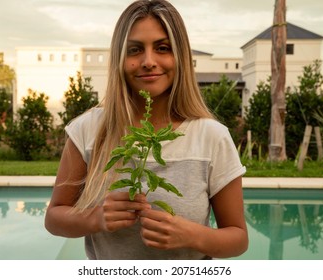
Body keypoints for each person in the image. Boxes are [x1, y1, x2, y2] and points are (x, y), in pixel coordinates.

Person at [45, 0, 248, 260]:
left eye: (163, 48)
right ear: (120, 58)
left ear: (180, 56)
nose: (148, 61)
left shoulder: (212, 136)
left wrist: (193, 235)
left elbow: (238, 238)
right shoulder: (87, 130)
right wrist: (95, 218)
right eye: (134, 50)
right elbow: (54, 218)